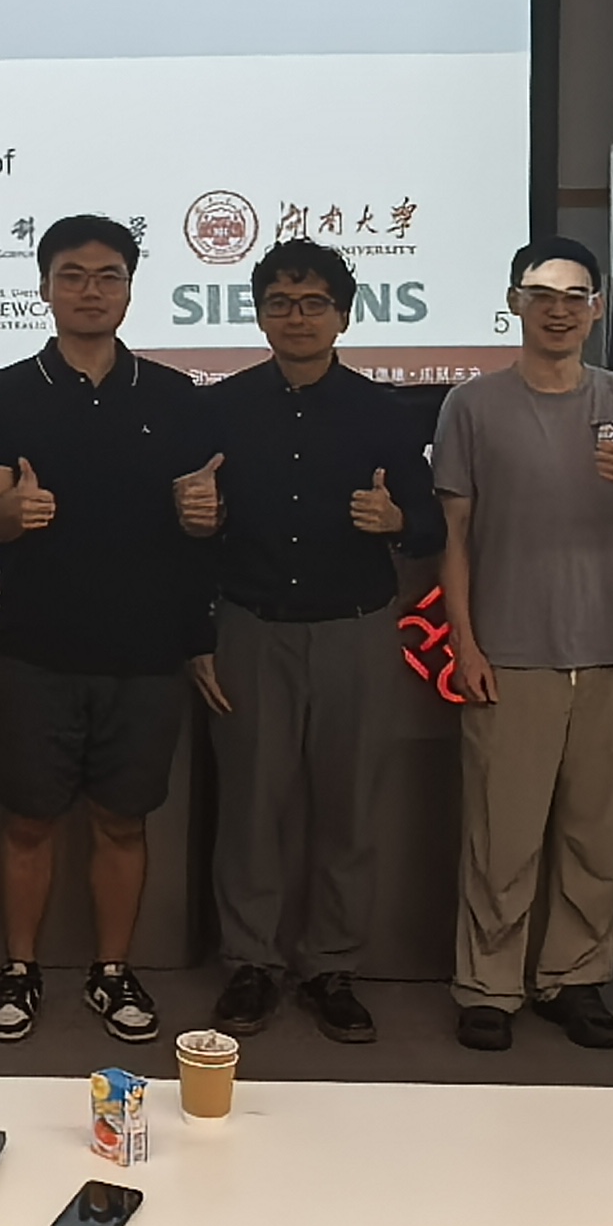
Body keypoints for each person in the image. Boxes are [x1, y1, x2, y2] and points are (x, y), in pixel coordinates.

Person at [0, 216, 217, 1050]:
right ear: (44, 288)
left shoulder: (175, 398)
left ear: (130, 290)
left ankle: (113, 970)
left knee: (123, 820)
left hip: (145, 651)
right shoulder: (4, 392)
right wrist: (13, 509)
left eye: (109, 276)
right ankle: (20, 968)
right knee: (28, 821)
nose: (90, 291)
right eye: (72, 275)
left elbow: (202, 520)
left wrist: (203, 515)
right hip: (38, 645)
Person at [431, 236, 613, 1052]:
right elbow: (455, 535)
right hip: (509, 651)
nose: (559, 309)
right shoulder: (472, 405)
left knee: (599, 833)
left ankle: (573, 979)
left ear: (597, 309)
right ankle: (488, 986)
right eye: (543, 294)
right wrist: (465, 644)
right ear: (515, 303)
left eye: (576, 295)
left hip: (608, 650)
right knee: (501, 835)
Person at [191, 236, 438, 1046]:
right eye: (280, 304)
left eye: (313, 304)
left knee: (349, 805)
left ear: (344, 316)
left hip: (354, 630)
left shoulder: (383, 412)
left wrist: (395, 519)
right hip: (250, 627)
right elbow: (191, 528)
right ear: (259, 315)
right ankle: (252, 962)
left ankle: (332, 965)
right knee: (251, 806)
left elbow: (430, 524)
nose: (296, 318)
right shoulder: (219, 409)